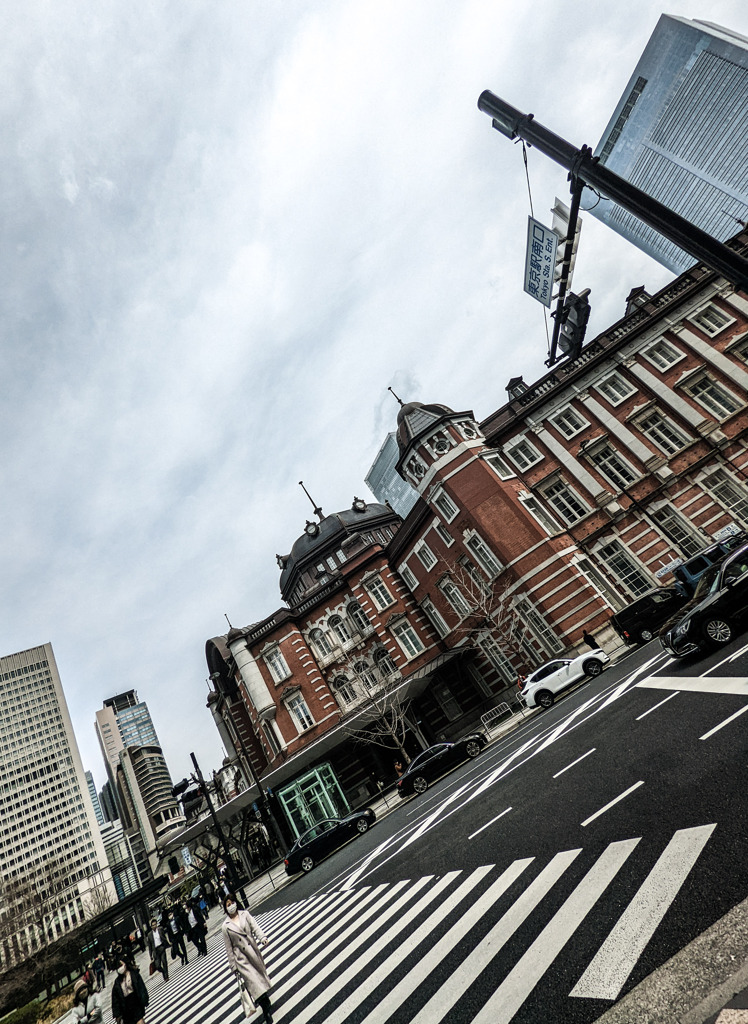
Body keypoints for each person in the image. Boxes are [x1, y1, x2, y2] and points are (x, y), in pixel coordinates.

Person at [222, 893, 273, 1024]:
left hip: (253, 952)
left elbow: (255, 927)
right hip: (241, 959)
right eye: (228, 905)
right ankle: (265, 1008)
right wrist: (233, 966)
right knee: (253, 982)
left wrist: (262, 938)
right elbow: (229, 948)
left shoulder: (245, 914)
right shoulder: (225, 926)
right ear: (225, 908)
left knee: (259, 978)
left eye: (232, 902)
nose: (231, 906)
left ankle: (265, 999)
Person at [111, 958, 149, 1024]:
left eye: (121, 965)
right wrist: (117, 1015)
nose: (120, 968)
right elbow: (115, 1000)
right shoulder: (117, 982)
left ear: (125, 964)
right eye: (118, 967)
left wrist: (144, 999)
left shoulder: (133, 974)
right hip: (126, 1009)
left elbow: (141, 987)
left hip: (136, 1004)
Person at [146, 916, 170, 982]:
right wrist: (150, 955)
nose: (154, 926)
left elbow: (164, 937)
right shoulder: (149, 935)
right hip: (155, 951)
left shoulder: (160, 929)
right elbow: (150, 946)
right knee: (157, 966)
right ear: (151, 926)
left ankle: (166, 976)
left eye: (155, 924)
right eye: (153, 925)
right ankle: (163, 972)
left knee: (164, 962)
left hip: (161, 947)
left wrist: (167, 944)